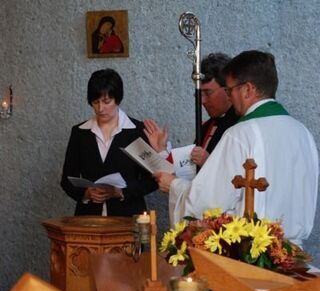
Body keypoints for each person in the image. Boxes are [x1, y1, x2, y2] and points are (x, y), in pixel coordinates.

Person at [154, 50, 318, 246]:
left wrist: (174, 185)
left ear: (248, 89)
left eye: (230, 90)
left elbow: (207, 204)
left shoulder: (240, 133)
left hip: (252, 254)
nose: (229, 98)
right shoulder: (303, 133)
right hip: (293, 255)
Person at [61, 68, 158, 216]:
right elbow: (67, 179)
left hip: (128, 216)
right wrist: (86, 193)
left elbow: (152, 180)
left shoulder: (137, 131)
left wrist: (121, 192)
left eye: (107, 101)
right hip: (89, 217)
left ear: (117, 99)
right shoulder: (80, 132)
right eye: (95, 102)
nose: (100, 108)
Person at [144, 53, 239, 167]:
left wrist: (208, 162)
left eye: (208, 92)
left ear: (228, 90)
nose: (202, 101)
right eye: (199, 94)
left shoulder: (240, 126)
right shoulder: (206, 127)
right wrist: (162, 151)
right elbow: (189, 172)